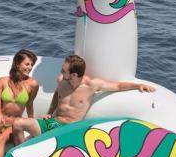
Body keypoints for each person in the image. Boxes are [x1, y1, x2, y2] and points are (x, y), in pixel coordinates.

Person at [11, 54, 156, 138]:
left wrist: (138, 85)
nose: (61, 71)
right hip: (53, 122)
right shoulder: (62, 80)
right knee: (17, 124)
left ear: (74, 75)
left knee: (29, 134)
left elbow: (117, 86)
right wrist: (49, 112)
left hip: (69, 129)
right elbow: (57, 95)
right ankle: (19, 154)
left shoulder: (91, 85)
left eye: (64, 70)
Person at [0, 49, 40, 157]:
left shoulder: (33, 84)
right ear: (17, 64)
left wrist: (30, 123)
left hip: (13, 123)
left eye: (32, 65)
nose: (30, 68)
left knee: (1, 139)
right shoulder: (3, 81)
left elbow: (29, 104)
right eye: (27, 64)